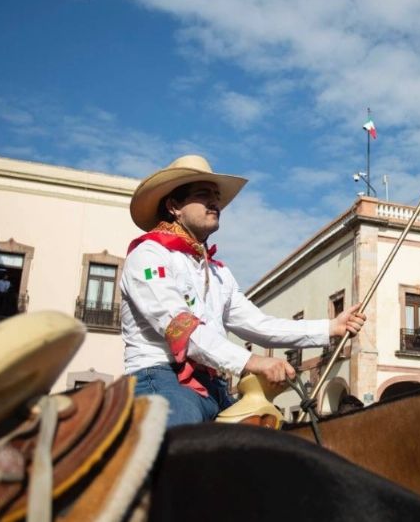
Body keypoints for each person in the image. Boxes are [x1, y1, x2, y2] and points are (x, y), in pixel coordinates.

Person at [121, 154, 366, 428]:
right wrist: (252, 362)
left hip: (212, 386)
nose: (215, 202)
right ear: (174, 206)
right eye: (204, 195)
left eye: (216, 196)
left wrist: (329, 328)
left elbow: (257, 324)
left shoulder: (218, 272)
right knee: (180, 446)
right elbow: (180, 328)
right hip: (161, 377)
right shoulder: (148, 255)